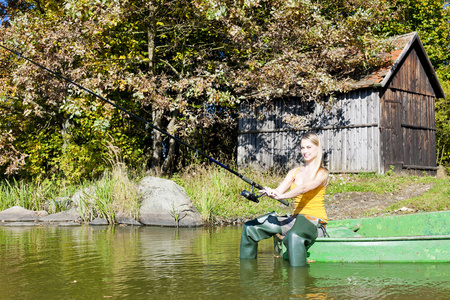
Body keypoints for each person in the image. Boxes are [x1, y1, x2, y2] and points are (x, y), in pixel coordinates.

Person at [240, 132, 328, 266]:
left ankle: (298, 282)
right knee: (250, 227)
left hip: (315, 223)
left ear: (317, 148)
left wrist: (283, 196)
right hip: (295, 220)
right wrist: (270, 191)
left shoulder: (322, 173)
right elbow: (279, 191)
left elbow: (304, 188)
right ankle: (246, 275)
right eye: (302, 148)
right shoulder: (294, 172)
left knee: (294, 236)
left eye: (308, 147)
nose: (305, 151)